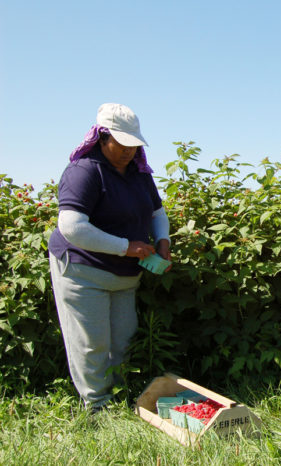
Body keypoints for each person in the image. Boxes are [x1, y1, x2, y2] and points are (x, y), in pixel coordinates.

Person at [48, 103, 171, 411]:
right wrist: (127, 247)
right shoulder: (85, 171)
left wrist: (163, 240)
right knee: (92, 344)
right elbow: (73, 227)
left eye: (134, 144)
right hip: (83, 272)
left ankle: (120, 398)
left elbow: (157, 212)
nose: (129, 150)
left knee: (123, 341)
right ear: (103, 138)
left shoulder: (138, 173)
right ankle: (97, 408)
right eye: (122, 143)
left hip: (125, 276)